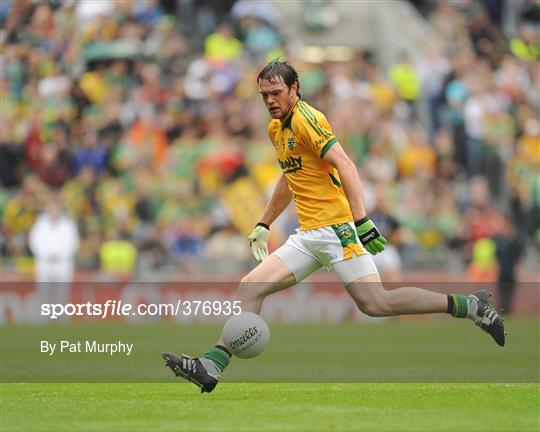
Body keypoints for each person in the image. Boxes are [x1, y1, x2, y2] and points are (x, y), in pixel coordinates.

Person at [163, 60, 505, 393]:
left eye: (276, 92)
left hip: (337, 230)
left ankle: (471, 306)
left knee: (375, 304)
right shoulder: (275, 128)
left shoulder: (308, 120)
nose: (270, 100)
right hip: (309, 233)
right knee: (251, 287)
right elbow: (290, 176)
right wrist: (264, 222)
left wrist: (362, 220)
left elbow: (346, 164)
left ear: (294, 89)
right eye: (264, 94)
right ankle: (210, 367)